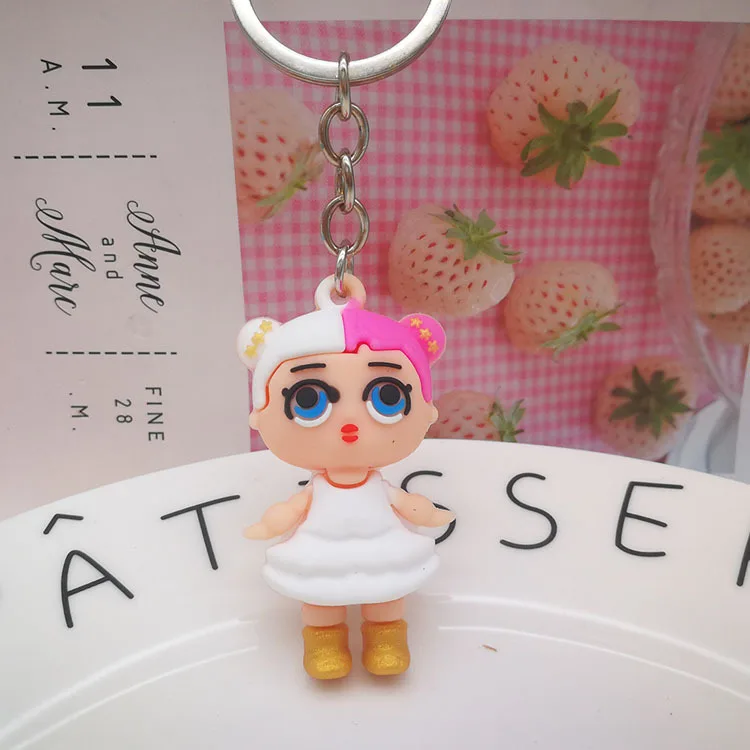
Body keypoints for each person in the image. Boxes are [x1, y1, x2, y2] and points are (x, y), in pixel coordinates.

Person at [237, 275, 453, 680]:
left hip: (382, 548)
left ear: (425, 409)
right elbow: (291, 510)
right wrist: (269, 525)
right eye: (309, 399)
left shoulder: (378, 487)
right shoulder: (317, 489)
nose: (349, 423)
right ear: (261, 416)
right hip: (320, 551)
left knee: (388, 596)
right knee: (320, 600)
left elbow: (407, 504)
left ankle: (386, 640)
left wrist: (429, 514)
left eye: (387, 397)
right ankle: (324, 645)